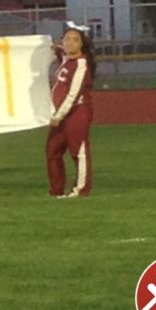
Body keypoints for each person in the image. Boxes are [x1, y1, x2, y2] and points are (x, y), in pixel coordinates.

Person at [47, 24, 96, 198]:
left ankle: (81, 189)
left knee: (78, 151)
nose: (70, 43)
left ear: (82, 44)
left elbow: (73, 94)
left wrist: (58, 115)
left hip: (77, 112)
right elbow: (60, 52)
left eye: (75, 40)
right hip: (60, 114)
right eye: (67, 39)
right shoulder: (67, 60)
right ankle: (56, 189)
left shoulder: (81, 64)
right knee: (53, 150)